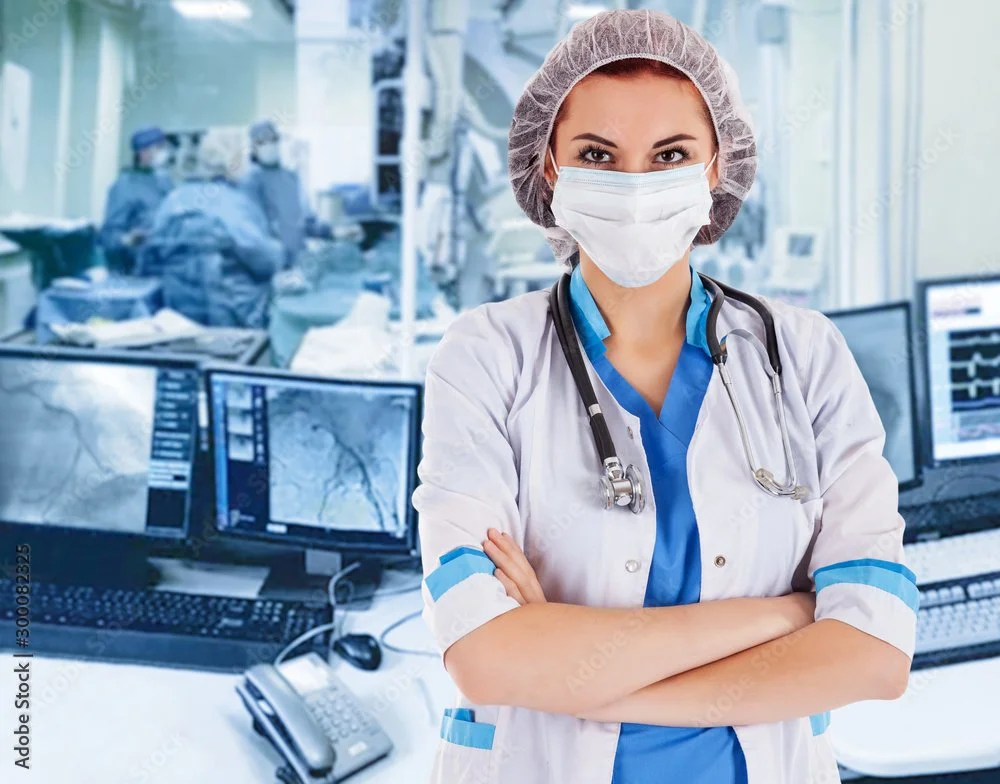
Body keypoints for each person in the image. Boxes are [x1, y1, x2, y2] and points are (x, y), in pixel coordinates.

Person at [412, 9, 915, 784]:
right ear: (549, 165)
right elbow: (484, 659)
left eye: (670, 153)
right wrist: (790, 614)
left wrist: (573, 668)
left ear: (717, 166)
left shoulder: (806, 355)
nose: (635, 186)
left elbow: (877, 655)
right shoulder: (485, 357)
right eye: (597, 154)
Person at [139, 130, 283, 328]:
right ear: (232, 161)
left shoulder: (173, 200)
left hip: (178, 319)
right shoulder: (235, 204)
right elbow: (265, 261)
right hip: (236, 319)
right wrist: (279, 249)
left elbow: (149, 258)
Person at [241, 119, 330, 268]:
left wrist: (332, 231)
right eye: (262, 141)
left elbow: (307, 223)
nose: (269, 145)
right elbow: (250, 233)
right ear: (253, 146)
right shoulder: (248, 182)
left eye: (273, 139)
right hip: (268, 266)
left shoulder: (291, 178)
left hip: (298, 262)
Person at [99, 126, 173, 273]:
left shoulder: (165, 181)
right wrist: (129, 239)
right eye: (159, 147)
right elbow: (108, 238)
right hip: (136, 269)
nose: (164, 152)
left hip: (164, 264)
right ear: (143, 152)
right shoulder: (124, 186)